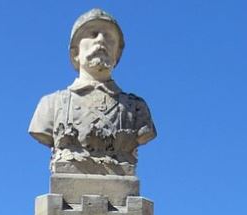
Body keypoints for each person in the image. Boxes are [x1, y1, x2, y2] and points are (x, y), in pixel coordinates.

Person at [29, 9, 156, 176]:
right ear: (75, 53)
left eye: (109, 37)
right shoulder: (51, 104)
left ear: (117, 54)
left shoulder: (137, 108)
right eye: (93, 34)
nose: (101, 40)